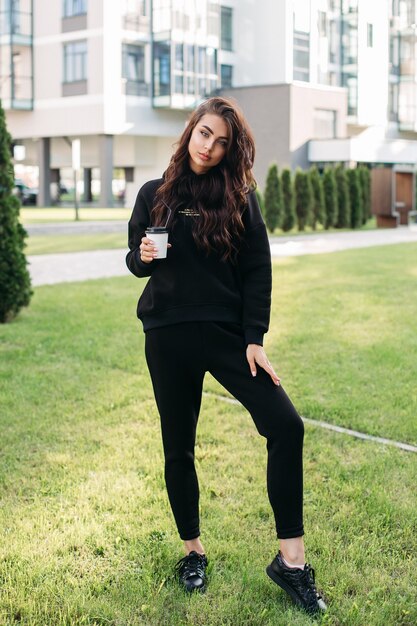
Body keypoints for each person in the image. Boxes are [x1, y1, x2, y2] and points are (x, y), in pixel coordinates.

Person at [126, 97, 327, 615]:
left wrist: (254, 336)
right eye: (205, 134)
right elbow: (136, 259)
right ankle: (193, 551)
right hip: (167, 334)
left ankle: (292, 562)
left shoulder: (239, 196)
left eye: (221, 142)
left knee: (286, 425)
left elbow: (258, 268)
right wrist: (141, 257)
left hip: (227, 337)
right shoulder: (154, 194)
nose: (210, 147)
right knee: (179, 446)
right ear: (191, 129)